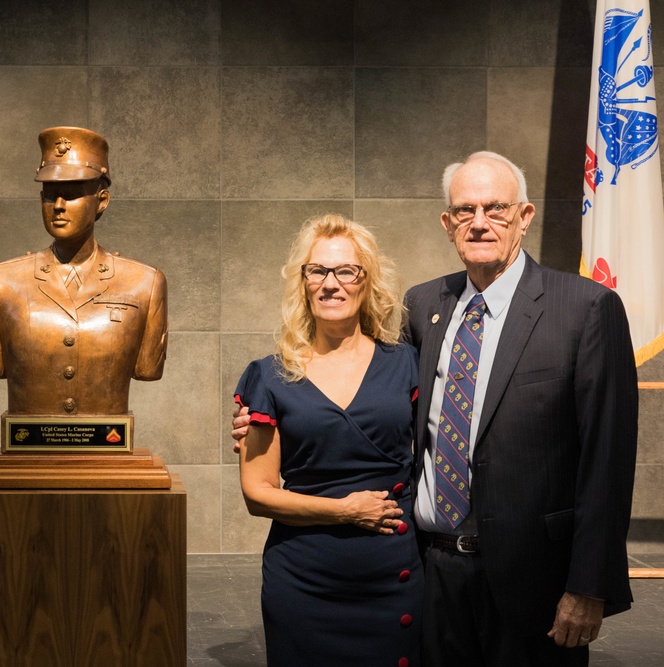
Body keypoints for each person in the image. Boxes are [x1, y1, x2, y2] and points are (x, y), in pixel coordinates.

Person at [235, 152, 639, 667]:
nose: (479, 222)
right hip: (432, 570)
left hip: (533, 577)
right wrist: (259, 421)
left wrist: (590, 585)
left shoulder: (584, 309)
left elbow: (608, 461)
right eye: (465, 210)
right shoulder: (426, 308)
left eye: (495, 208)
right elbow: (370, 402)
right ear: (448, 224)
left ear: (525, 215)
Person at [235, 214, 422, 667]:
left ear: (367, 281)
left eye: (346, 271)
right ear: (302, 282)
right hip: (304, 581)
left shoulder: (408, 363)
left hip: (394, 575)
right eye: (317, 270)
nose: (330, 284)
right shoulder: (270, 375)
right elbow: (257, 495)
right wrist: (345, 510)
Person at [0, 126, 168, 416]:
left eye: (72, 195)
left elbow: (148, 368)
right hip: (26, 454)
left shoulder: (144, 284)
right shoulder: (2, 283)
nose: (59, 207)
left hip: (109, 451)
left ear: (101, 201)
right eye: (50, 196)